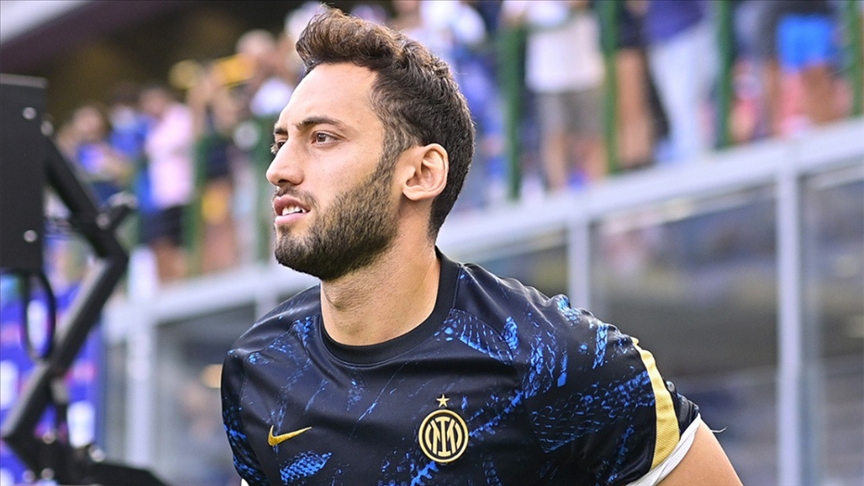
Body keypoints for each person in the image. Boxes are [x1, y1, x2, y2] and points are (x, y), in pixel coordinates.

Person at [221, 8, 742, 486]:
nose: (278, 169)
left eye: (322, 138)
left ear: (421, 173)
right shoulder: (259, 368)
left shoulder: (559, 358)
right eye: (280, 141)